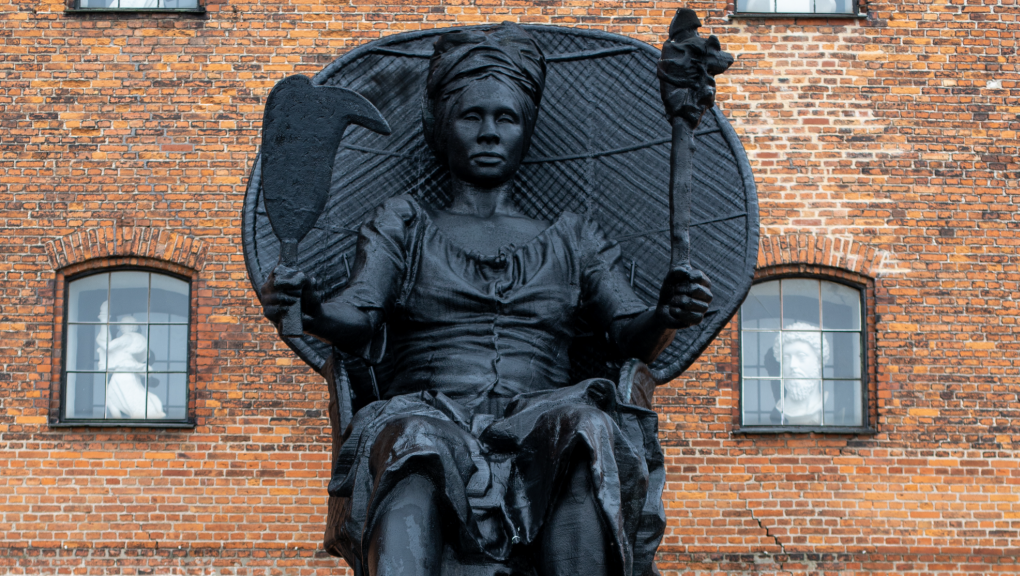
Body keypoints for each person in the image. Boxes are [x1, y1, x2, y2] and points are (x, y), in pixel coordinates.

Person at [261, 23, 712, 576]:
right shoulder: (404, 225)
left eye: (507, 117)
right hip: (428, 407)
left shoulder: (574, 236)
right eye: (471, 116)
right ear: (440, 126)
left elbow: (630, 334)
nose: (489, 132)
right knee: (414, 443)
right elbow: (356, 316)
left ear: (527, 130)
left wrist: (666, 314)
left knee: (587, 430)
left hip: (542, 417)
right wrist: (310, 307)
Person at [96, 301, 166, 419]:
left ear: (132, 326)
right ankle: (118, 419)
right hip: (125, 373)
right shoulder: (137, 339)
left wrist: (104, 319)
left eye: (125, 324)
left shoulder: (127, 338)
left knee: (123, 398)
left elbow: (107, 346)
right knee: (113, 397)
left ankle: (122, 419)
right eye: (122, 324)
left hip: (123, 374)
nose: (122, 327)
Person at [772, 322, 828, 425]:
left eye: (801, 356)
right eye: (786, 358)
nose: (792, 365)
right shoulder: (780, 408)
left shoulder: (828, 404)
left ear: (819, 361)